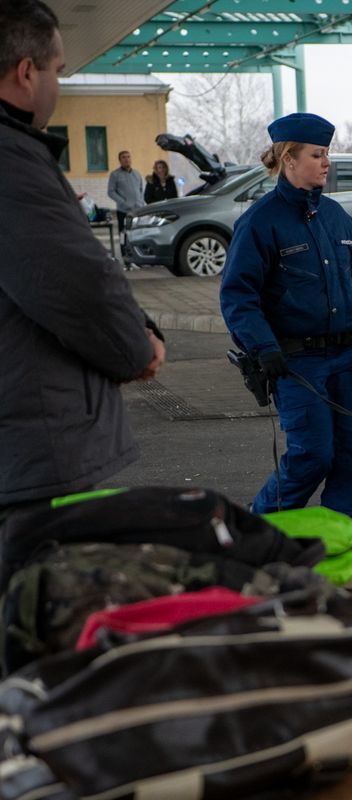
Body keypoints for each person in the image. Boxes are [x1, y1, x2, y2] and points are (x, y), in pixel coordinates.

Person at [0, 0, 166, 515]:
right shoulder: (10, 160)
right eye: (58, 72)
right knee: (36, 588)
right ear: (27, 73)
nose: (57, 86)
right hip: (29, 438)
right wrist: (136, 346)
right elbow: (72, 280)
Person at [219, 112, 352, 584]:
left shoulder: (336, 215)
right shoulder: (260, 222)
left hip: (345, 357)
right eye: (317, 155)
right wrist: (262, 347)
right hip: (296, 361)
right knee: (311, 455)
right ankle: (255, 543)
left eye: (326, 154)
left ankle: (339, 555)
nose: (326, 163)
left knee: (351, 456)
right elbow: (238, 295)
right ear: (287, 159)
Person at [106, 149, 142, 233]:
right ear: (120, 160)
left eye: (128, 157)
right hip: (124, 211)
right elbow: (110, 192)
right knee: (124, 235)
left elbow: (141, 189)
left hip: (138, 210)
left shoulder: (137, 173)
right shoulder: (115, 174)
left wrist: (141, 202)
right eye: (124, 157)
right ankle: (123, 247)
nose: (127, 159)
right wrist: (123, 202)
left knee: (138, 234)